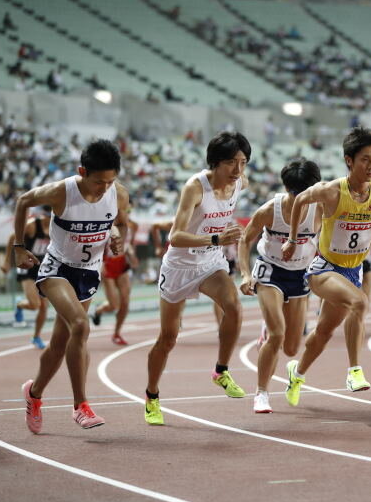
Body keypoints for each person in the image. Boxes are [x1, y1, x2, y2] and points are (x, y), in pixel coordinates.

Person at [280, 127, 371, 407]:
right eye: (364, 160)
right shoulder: (331, 190)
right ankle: (354, 371)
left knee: (322, 333)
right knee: (360, 303)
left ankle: (296, 374)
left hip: (352, 271)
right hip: (324, 268)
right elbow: (300, 199)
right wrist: (293, 239)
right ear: (349, 160)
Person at [16, 140, 129, 432]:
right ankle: (81, 406)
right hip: (57, 269)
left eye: (110, 181)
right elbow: (22, 202)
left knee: (58, 346)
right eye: (98, 182)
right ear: (82, 171)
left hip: (89, 274)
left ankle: (34, 393)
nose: (104, 188)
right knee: (80, 326)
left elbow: (123, 224)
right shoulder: (61, 191)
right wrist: (18, 247)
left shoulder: (118, 194)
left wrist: (118, 238)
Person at [144, 131, 249, 426]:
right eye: (231, 163)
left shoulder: (240, 182)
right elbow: (174, 237)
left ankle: (221, 370)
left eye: (243, 162)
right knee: (168, 338)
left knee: (234, 306)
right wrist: (216, 237)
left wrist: (220, 241)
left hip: (210, 264)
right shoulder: (195, 187)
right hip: (179, 267)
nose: (238, 170)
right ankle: (152, 395)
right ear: (215, 163)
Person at [238, 159, 322, 414]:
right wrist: (244, 274)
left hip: (299, 275)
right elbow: (245, 239)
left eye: (306, 193)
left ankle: (271, 333)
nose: (301, 200)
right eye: (296, 193)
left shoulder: (319, 209)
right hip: (270, 271)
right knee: (276, 334)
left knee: (291, 348)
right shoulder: (269, 210)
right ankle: (261, 393)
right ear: (287, 189)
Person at [1, 205, 51, 348]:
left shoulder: (56, 227)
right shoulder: (32, 226)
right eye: (48, 215)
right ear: (43, 215)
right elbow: (12, 237)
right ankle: (19, 304)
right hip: (26, 268)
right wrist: (6, 262)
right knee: (35, 305)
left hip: (41, 268)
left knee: (44, 307)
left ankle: (36, 336)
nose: (50, 218)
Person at [91, 208, 138, 346]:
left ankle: (117, 333)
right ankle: (99, 310)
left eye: (129, 210)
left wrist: (131, 255)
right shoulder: (106, 226)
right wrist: (100, 264)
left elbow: (129, 244)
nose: (126, 213)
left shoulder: (134, 225)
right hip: (108, 264)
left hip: (122, 264)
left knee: (125, 302)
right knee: (114, 305)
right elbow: (96, 246)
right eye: (124, 210)